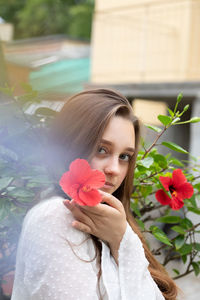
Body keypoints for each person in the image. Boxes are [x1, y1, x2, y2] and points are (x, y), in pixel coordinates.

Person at [11, 89, 178, 300]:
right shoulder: (55, 216)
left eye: (125, 156)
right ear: (70, 146)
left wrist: (121, 239)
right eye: (102, 149)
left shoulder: (111, 226)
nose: (114, 169)